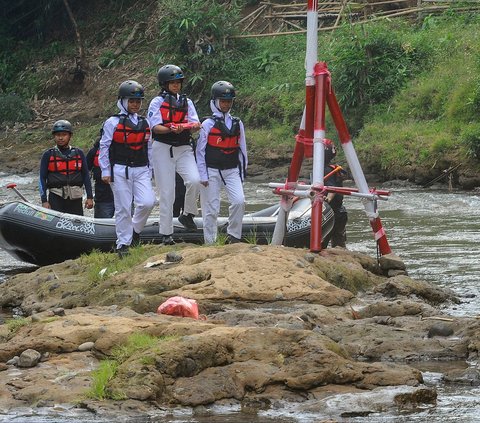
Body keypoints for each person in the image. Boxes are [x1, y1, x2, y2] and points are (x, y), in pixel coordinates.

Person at [98, 80, 155, 258]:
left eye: (138, 101)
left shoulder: (145, 123)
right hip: (119, 170)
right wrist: (105, 170)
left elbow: (150, 148)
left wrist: (151, 169)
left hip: (141, 169)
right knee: (123, 207)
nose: (135, 105)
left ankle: (135, 230)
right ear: (123, 101)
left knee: (148, 202)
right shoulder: (112, 122)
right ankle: (123, 244)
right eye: (131, 101)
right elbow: (104, 147)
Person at [147, 64, 201, 245]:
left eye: (178, 82)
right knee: (167, 192)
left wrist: (191, 126)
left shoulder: (187, 102)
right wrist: (172, 128)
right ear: (164, 84)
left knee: (194, 180)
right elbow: (155, 127)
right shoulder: (157, 102)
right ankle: (166, 234)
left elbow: (195, 123)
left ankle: (187, 214)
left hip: (184, 147)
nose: (176, 85)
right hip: (163, 148)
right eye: (172, 82)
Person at [196, 81, 247, 244]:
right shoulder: (207, 124)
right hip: (211, 171)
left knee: (239, 201)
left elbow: (242, 150)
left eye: (229, 101)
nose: (226, 104)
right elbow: (200, 152)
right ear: (215, 101)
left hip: (232, 170)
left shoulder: (237, 123)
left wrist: (242, 173)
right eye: (223, 101)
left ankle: (233, 236)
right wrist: (202, 175)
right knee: (211, 209)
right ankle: (210, 242)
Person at [39, 120, 93, 215]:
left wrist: (89, 197)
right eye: (58, 135)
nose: (60, 138)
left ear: (70, 136)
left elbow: (85, 176)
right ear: (54, 136)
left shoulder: (79, 153)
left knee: (77, 223)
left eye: (64, 135)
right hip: (56, 197)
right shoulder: (48, 154)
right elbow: (42, 178)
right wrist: (44, 201)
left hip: (75, 197)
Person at [321, 139, 348, 248]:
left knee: (323, 243)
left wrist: (327, 199)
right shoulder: (328, 169)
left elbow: (332, 189)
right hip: (339, 212)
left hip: (332, 214)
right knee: (339, 243)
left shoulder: (327, 170)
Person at [86, 137, 114, 218]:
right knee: (103, 224)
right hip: (103, 197)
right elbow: (85, 173)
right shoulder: (94, 151)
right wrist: (89, 196)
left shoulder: (126, 148)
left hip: (125, 196)